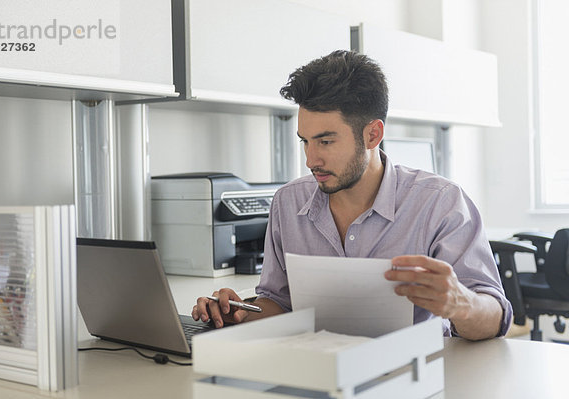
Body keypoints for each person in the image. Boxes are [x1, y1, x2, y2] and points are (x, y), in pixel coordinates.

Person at [192, 50, 511, 340]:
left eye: (326, 141)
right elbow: (279, 303)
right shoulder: (288, 203)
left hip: (415, 378)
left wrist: (461, 302)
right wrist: (238, 312)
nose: (310, 159)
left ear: (373, 134)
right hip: (318, 376)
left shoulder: (440, 203)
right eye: (305, 141)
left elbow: (495, 318)